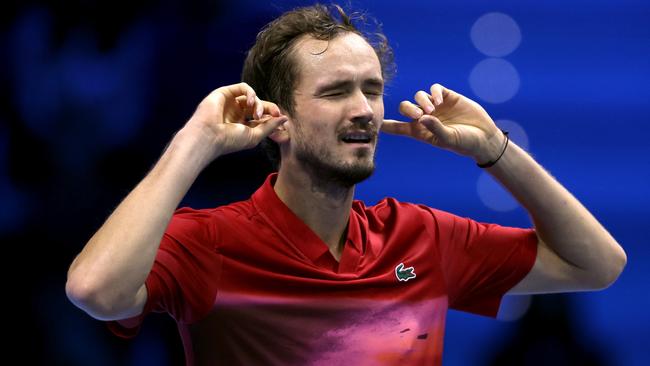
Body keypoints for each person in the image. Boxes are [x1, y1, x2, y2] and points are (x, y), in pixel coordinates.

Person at [66, 4, 626, 365]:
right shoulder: (208, 242)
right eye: (336, 92)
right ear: (275, 117)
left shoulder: (423, 238)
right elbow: (96, 291)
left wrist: (494, 150)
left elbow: (596, 265)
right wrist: (194, 142)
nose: (365, 111)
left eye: (372, 89)